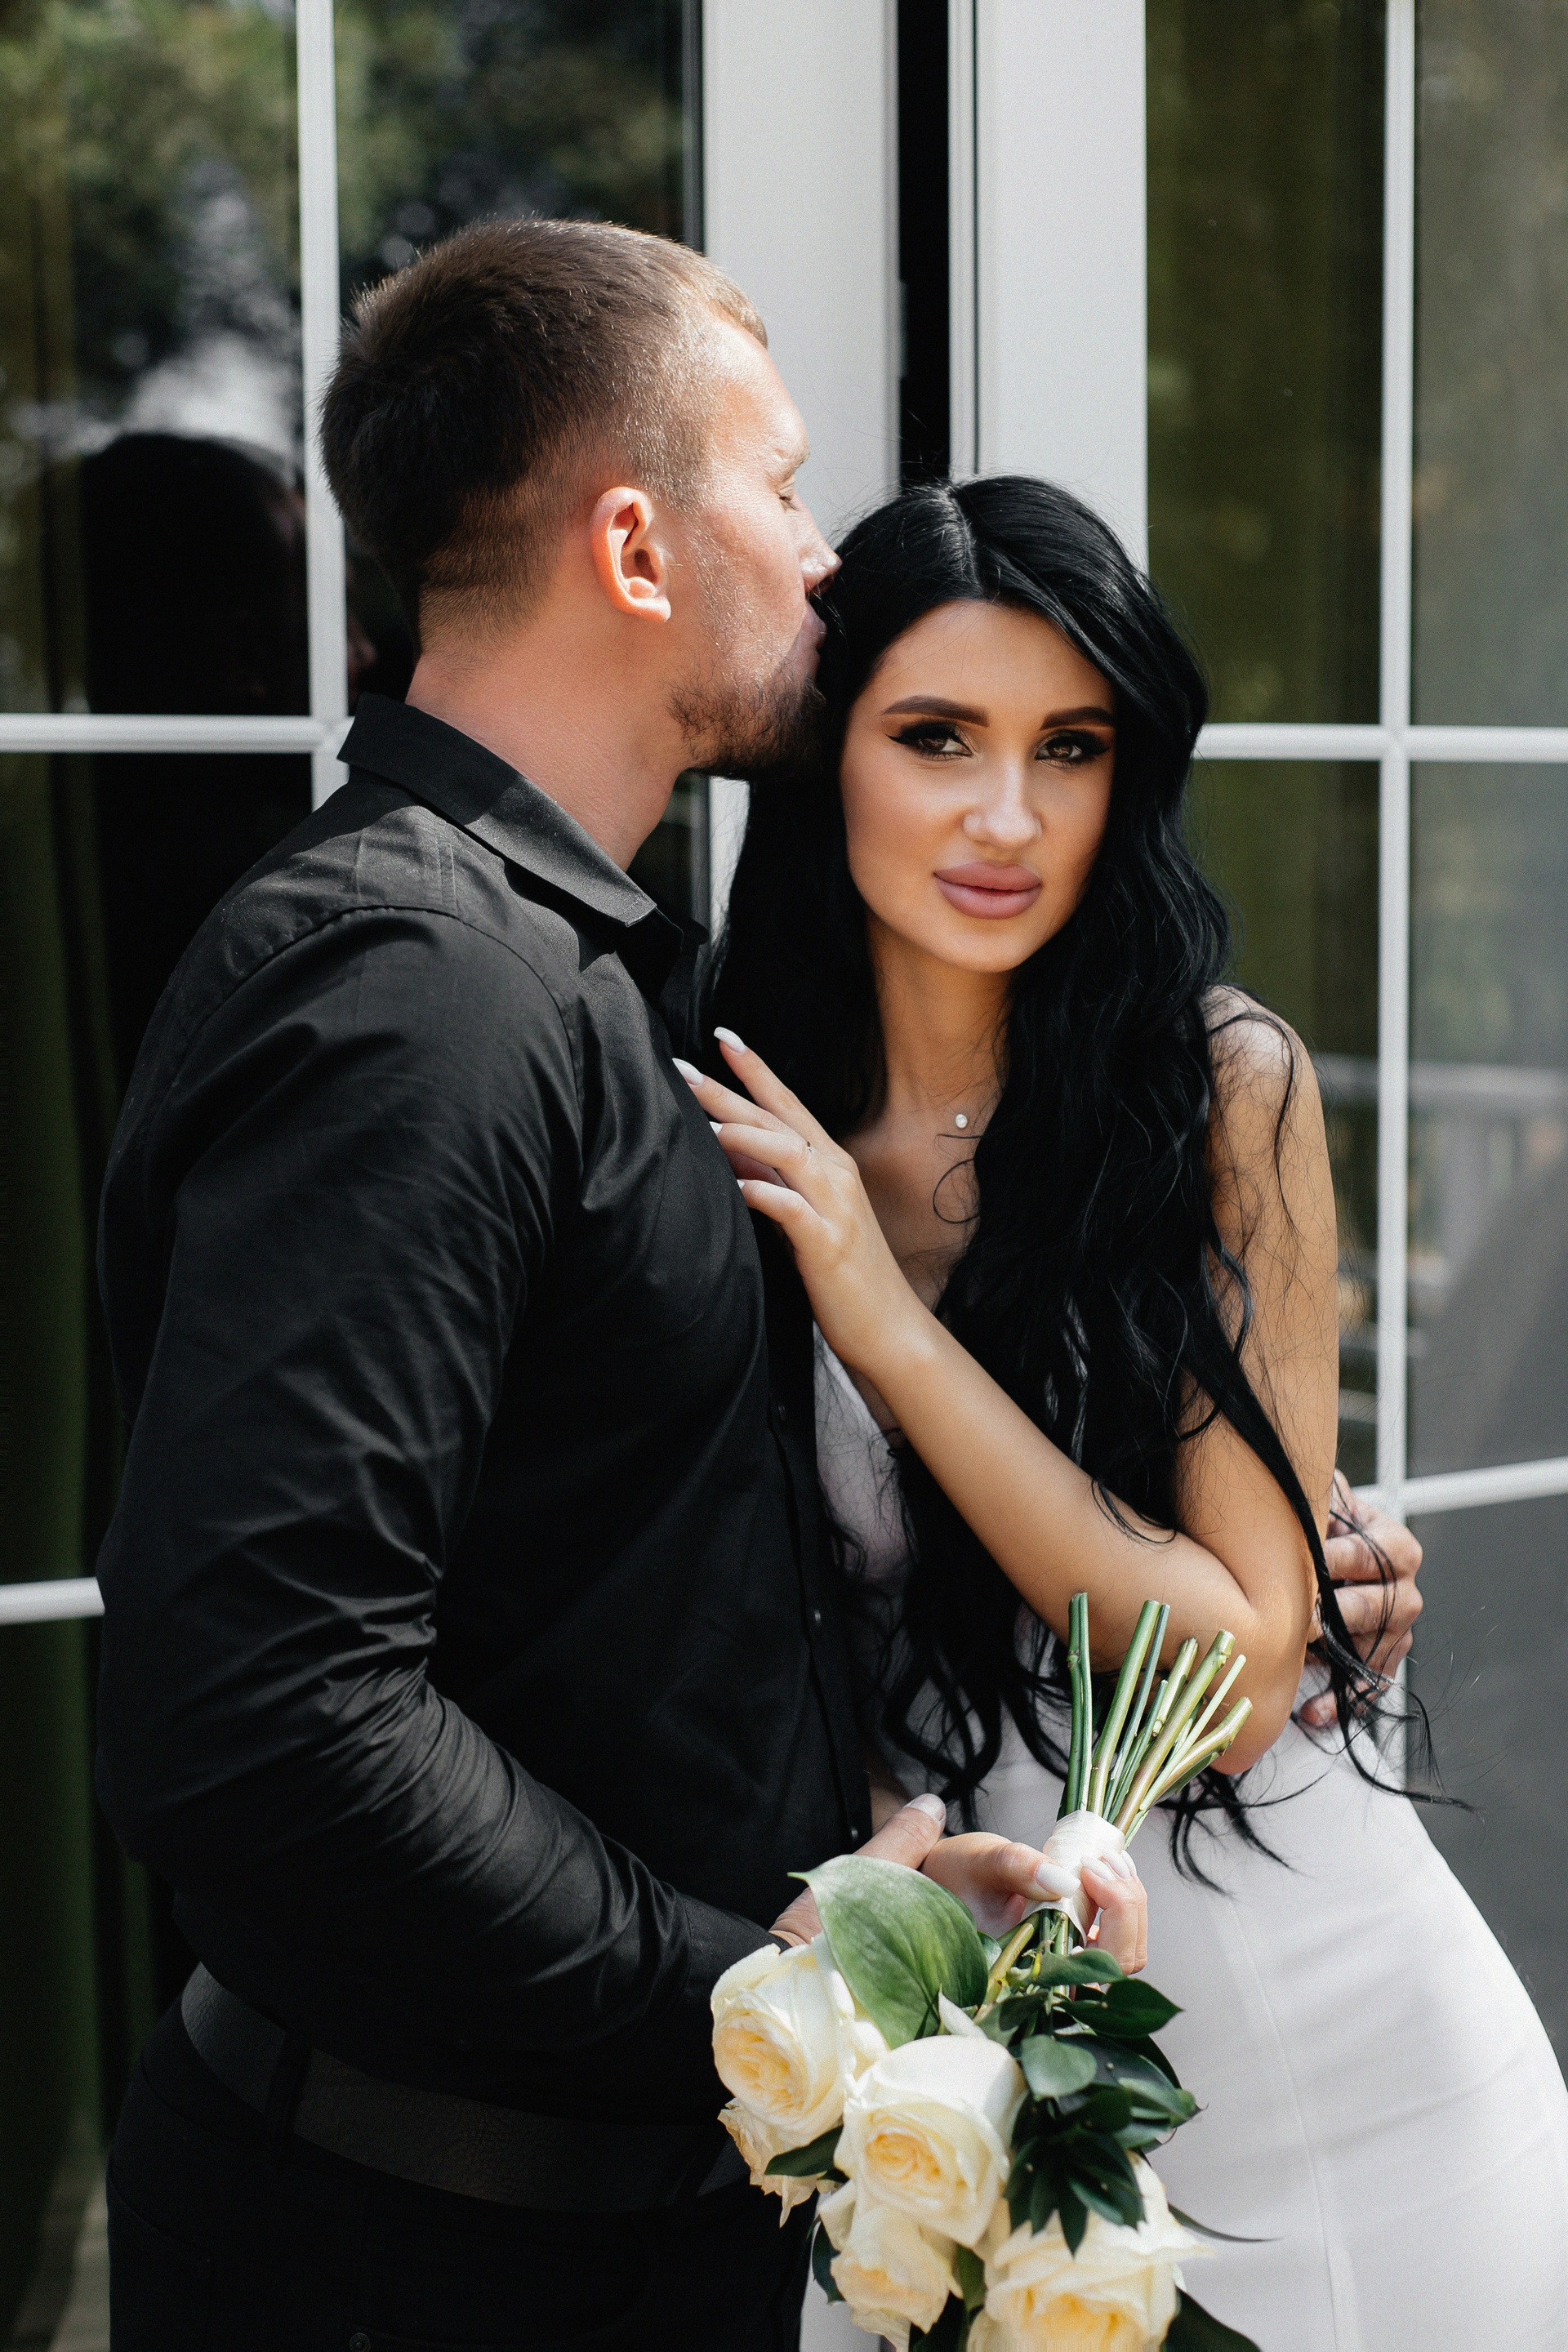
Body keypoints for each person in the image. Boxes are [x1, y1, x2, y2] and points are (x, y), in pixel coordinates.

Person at [92, 227, 1147, 2352]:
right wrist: (750, 1986)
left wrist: (852, 1912)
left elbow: (616, 1586)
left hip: (613, 2238)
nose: (823, 555)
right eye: (784, 483)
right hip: (415, 2264)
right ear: (637, 545)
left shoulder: (583, 971)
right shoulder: (430, 996)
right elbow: (270, 1711)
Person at [694, 474, 1568, 2351]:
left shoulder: (1220, 1089)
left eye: (1070, 748)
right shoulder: (717, 1118)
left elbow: (1237, 1676)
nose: (1008, 816)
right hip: (973, 2084)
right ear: (829, 752)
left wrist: (890, 1326)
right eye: (938, 737)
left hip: (1354, 2068)